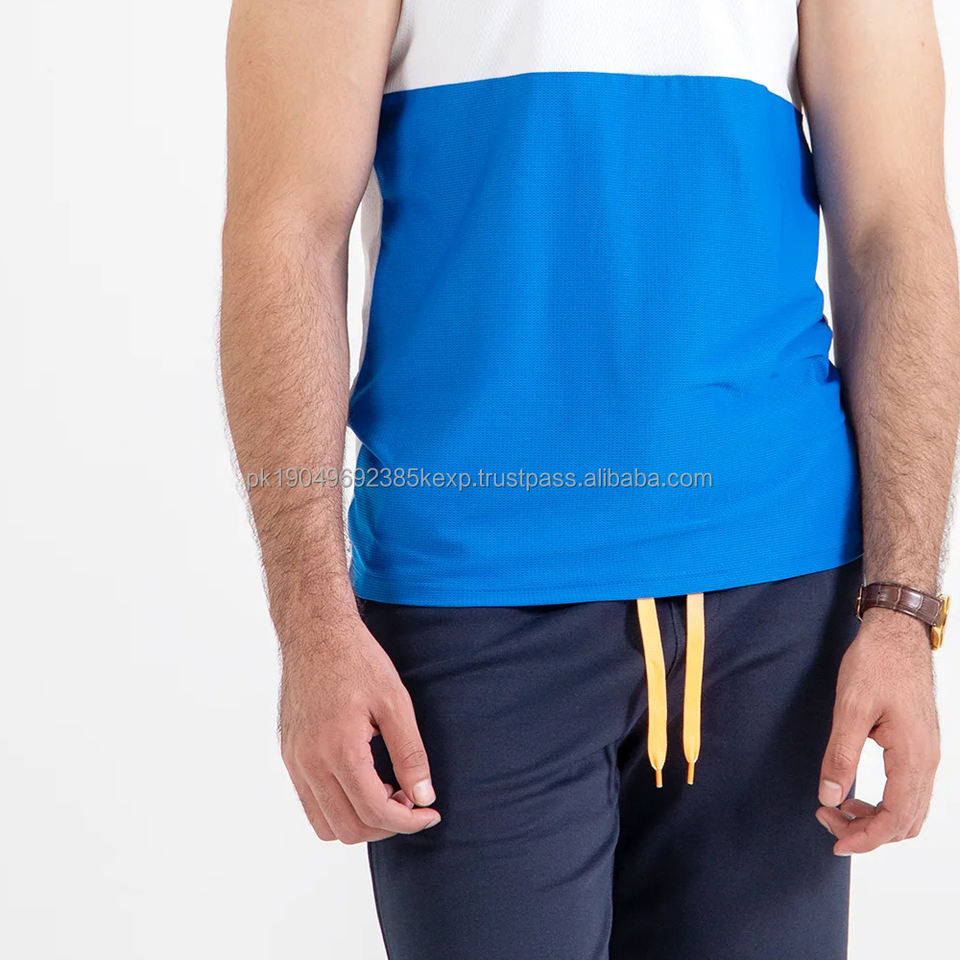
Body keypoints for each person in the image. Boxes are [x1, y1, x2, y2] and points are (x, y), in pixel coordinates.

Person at [219, 1, 959, 957]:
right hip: (473, 613)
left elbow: (897, 233)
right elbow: (284, 232)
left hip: (777, 609)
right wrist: (312, 625)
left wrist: (901, 611)